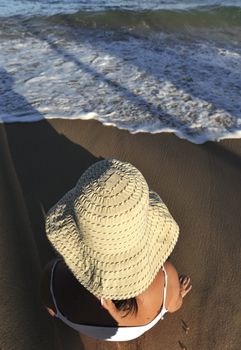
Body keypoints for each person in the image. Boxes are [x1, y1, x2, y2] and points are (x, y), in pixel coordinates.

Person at [41, 159, 192, 341]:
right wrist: (177, 294)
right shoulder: (166, 279)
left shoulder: (52, 279)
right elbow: (175, 305)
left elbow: (51, 309)